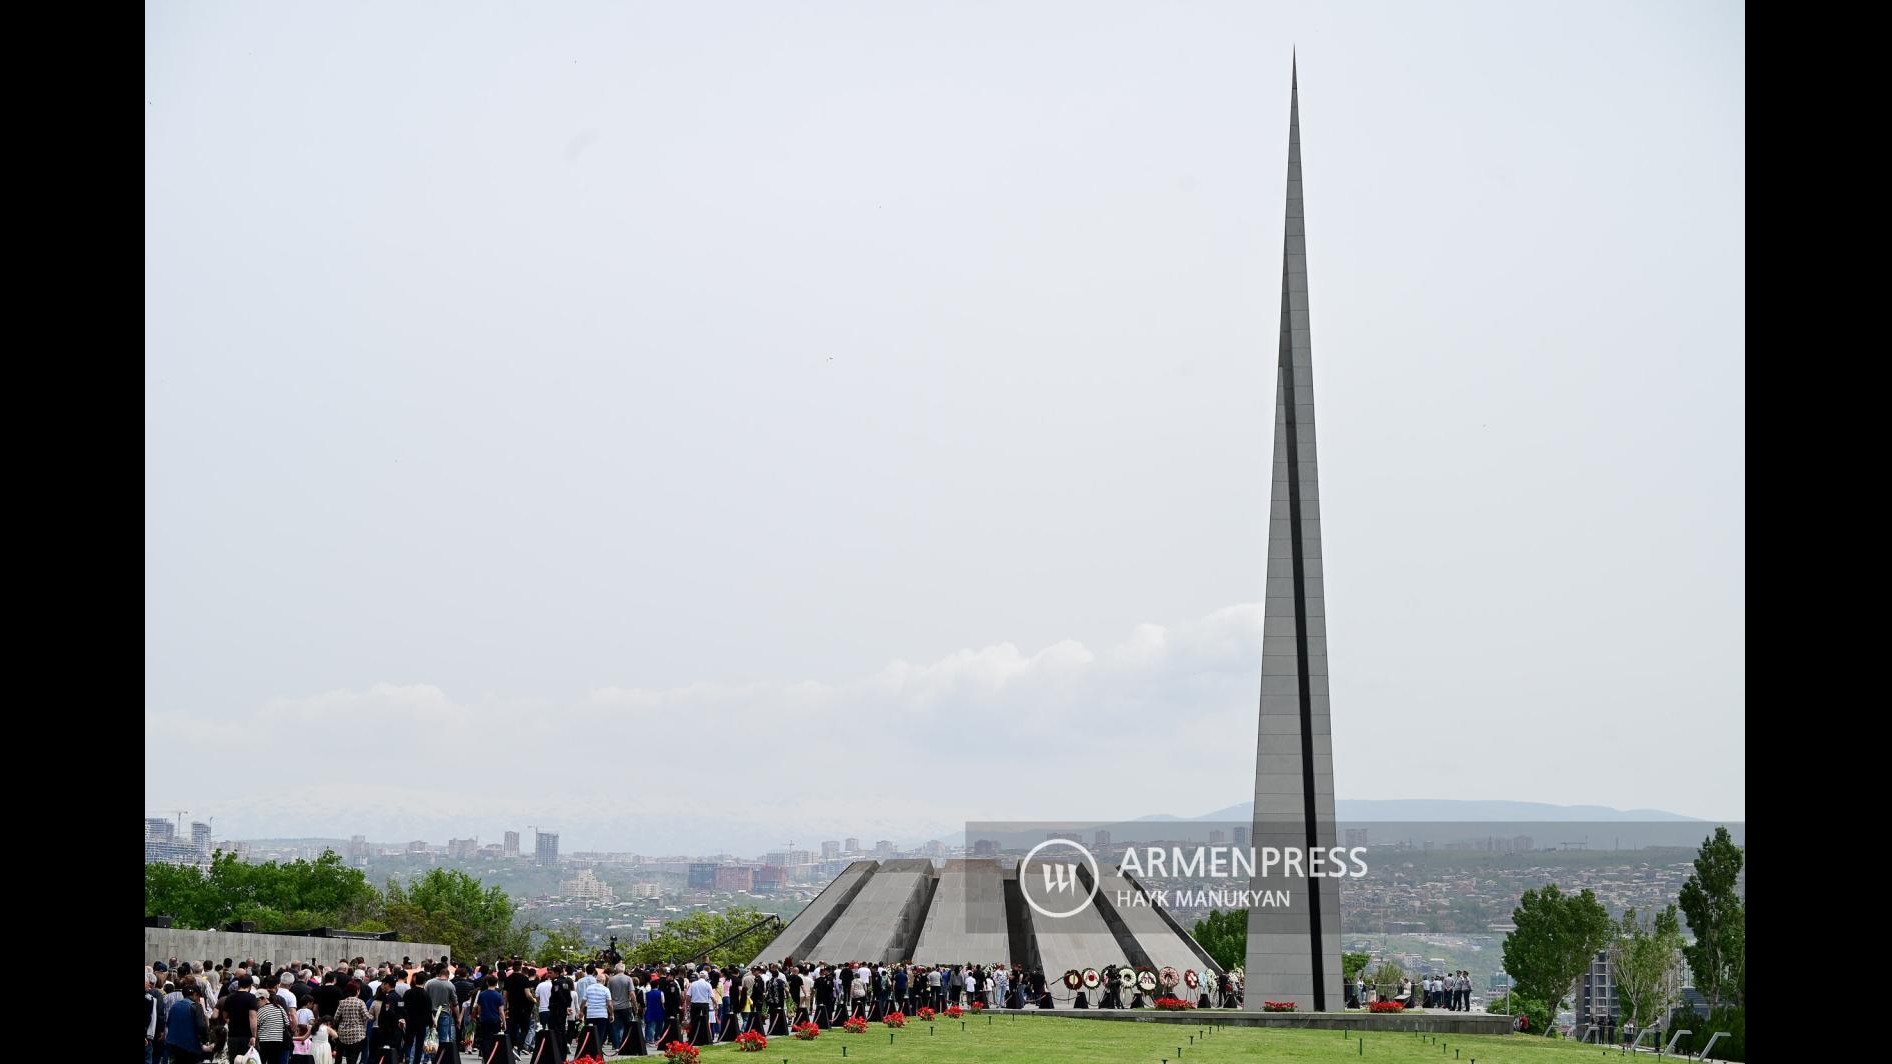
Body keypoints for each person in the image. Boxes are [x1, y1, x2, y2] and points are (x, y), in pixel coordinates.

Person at [334, 983, 371, 1064]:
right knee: (352, 1059)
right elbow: (366, 1016)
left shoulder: (342, 1002)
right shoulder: (360, 1002)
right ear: (357, 991)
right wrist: (373, 1016)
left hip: (343, 1034)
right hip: (357, 1034)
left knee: (342, 1056)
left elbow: (336, 1018)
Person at [472, 975, 505, 1064]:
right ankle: (493, 1056)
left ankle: (486, 1057)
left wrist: (480, 1016)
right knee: (494, 1039)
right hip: (495, 1020)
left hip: (484, 1019)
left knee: (485, 1039)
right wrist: (504, 1022)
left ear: (487, 983)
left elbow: (479, 1008)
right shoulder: (498, 995)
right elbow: (501, 1011)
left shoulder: (482, 994)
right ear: (496, 983)